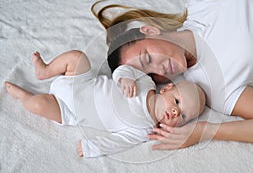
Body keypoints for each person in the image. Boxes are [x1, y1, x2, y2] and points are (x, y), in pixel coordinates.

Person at [92, 0, 253, 149]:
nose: (160, 69)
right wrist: (205, 131)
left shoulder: (199, 5)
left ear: (150, 31)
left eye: (148, 58)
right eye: (150, 75)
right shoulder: (213, 86)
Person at [4, 50, 206, 157]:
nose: (175, 111)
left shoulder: (144, 129)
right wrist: (124, 79)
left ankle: (24, 97)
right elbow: (123, 69)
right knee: (77, 57)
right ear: (167, 89)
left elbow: (118, 142)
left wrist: (93, 147)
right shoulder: (146, 83)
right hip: (81, 81)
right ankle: (45, 71)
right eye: (177, 102)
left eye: (183, 116)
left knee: (39, 104)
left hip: (68, 109)